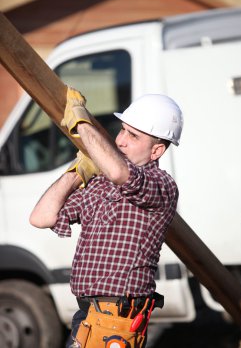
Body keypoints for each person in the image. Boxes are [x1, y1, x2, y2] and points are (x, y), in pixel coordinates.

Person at [29, 89, 183, 348]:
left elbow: (120, 173)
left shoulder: (161, 185)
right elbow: (41, 217)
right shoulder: (101, 184)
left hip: (116, 319)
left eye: (133, 136)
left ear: (156, 150)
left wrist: (80, 122)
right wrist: (78, 170)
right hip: (87, 315)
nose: (121, 140)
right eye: (122, 130)